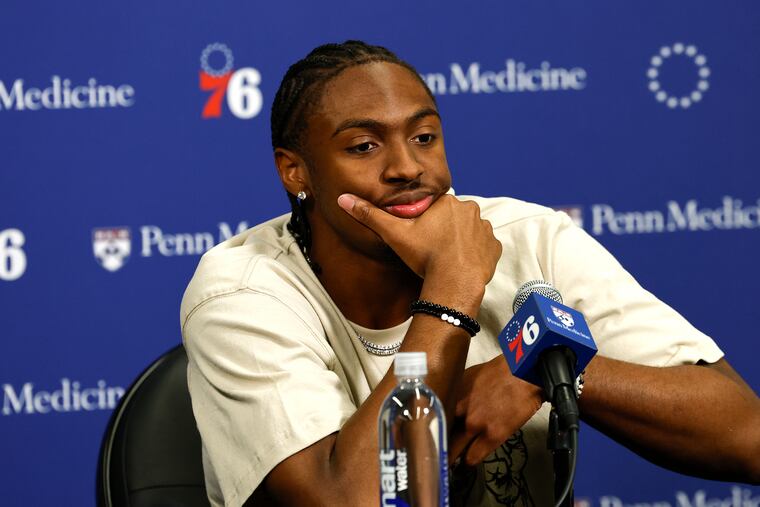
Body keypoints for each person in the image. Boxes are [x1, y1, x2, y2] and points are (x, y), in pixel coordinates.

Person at [180, 41, 760, 507]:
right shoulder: (242, 290)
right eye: (363, 146)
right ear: (295, 172)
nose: (407, 166)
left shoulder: (531, 239)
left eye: (424, 137)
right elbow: (346, 498)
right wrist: (451, 288)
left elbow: (746, 435)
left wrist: (549, 371)